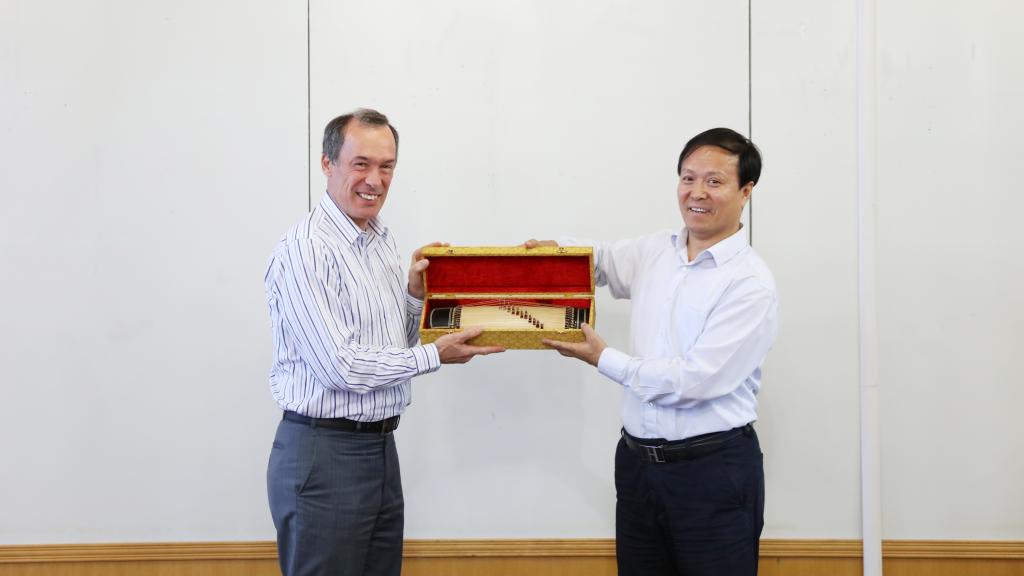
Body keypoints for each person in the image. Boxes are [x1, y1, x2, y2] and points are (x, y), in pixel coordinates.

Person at [264, 108, 503, 576]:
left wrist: (414, 296)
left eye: (386, 166)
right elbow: (341, 367)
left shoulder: (379, 240)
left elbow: (391, 346)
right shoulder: (306, 250)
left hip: (379, 450)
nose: (375, 180)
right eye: (361, 164)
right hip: (324, 454)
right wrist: (434, 354)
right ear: (327, 164)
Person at [529, 127, 778, 576]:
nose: (697, 192)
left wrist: (603, 357)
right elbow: (600, 260)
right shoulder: (655, 250)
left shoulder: (749, 283)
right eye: (688, 178)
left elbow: (695, 380)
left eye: (715, 181)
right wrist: (553, 254)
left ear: (746, 191)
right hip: (637, 469)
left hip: (712, 473)